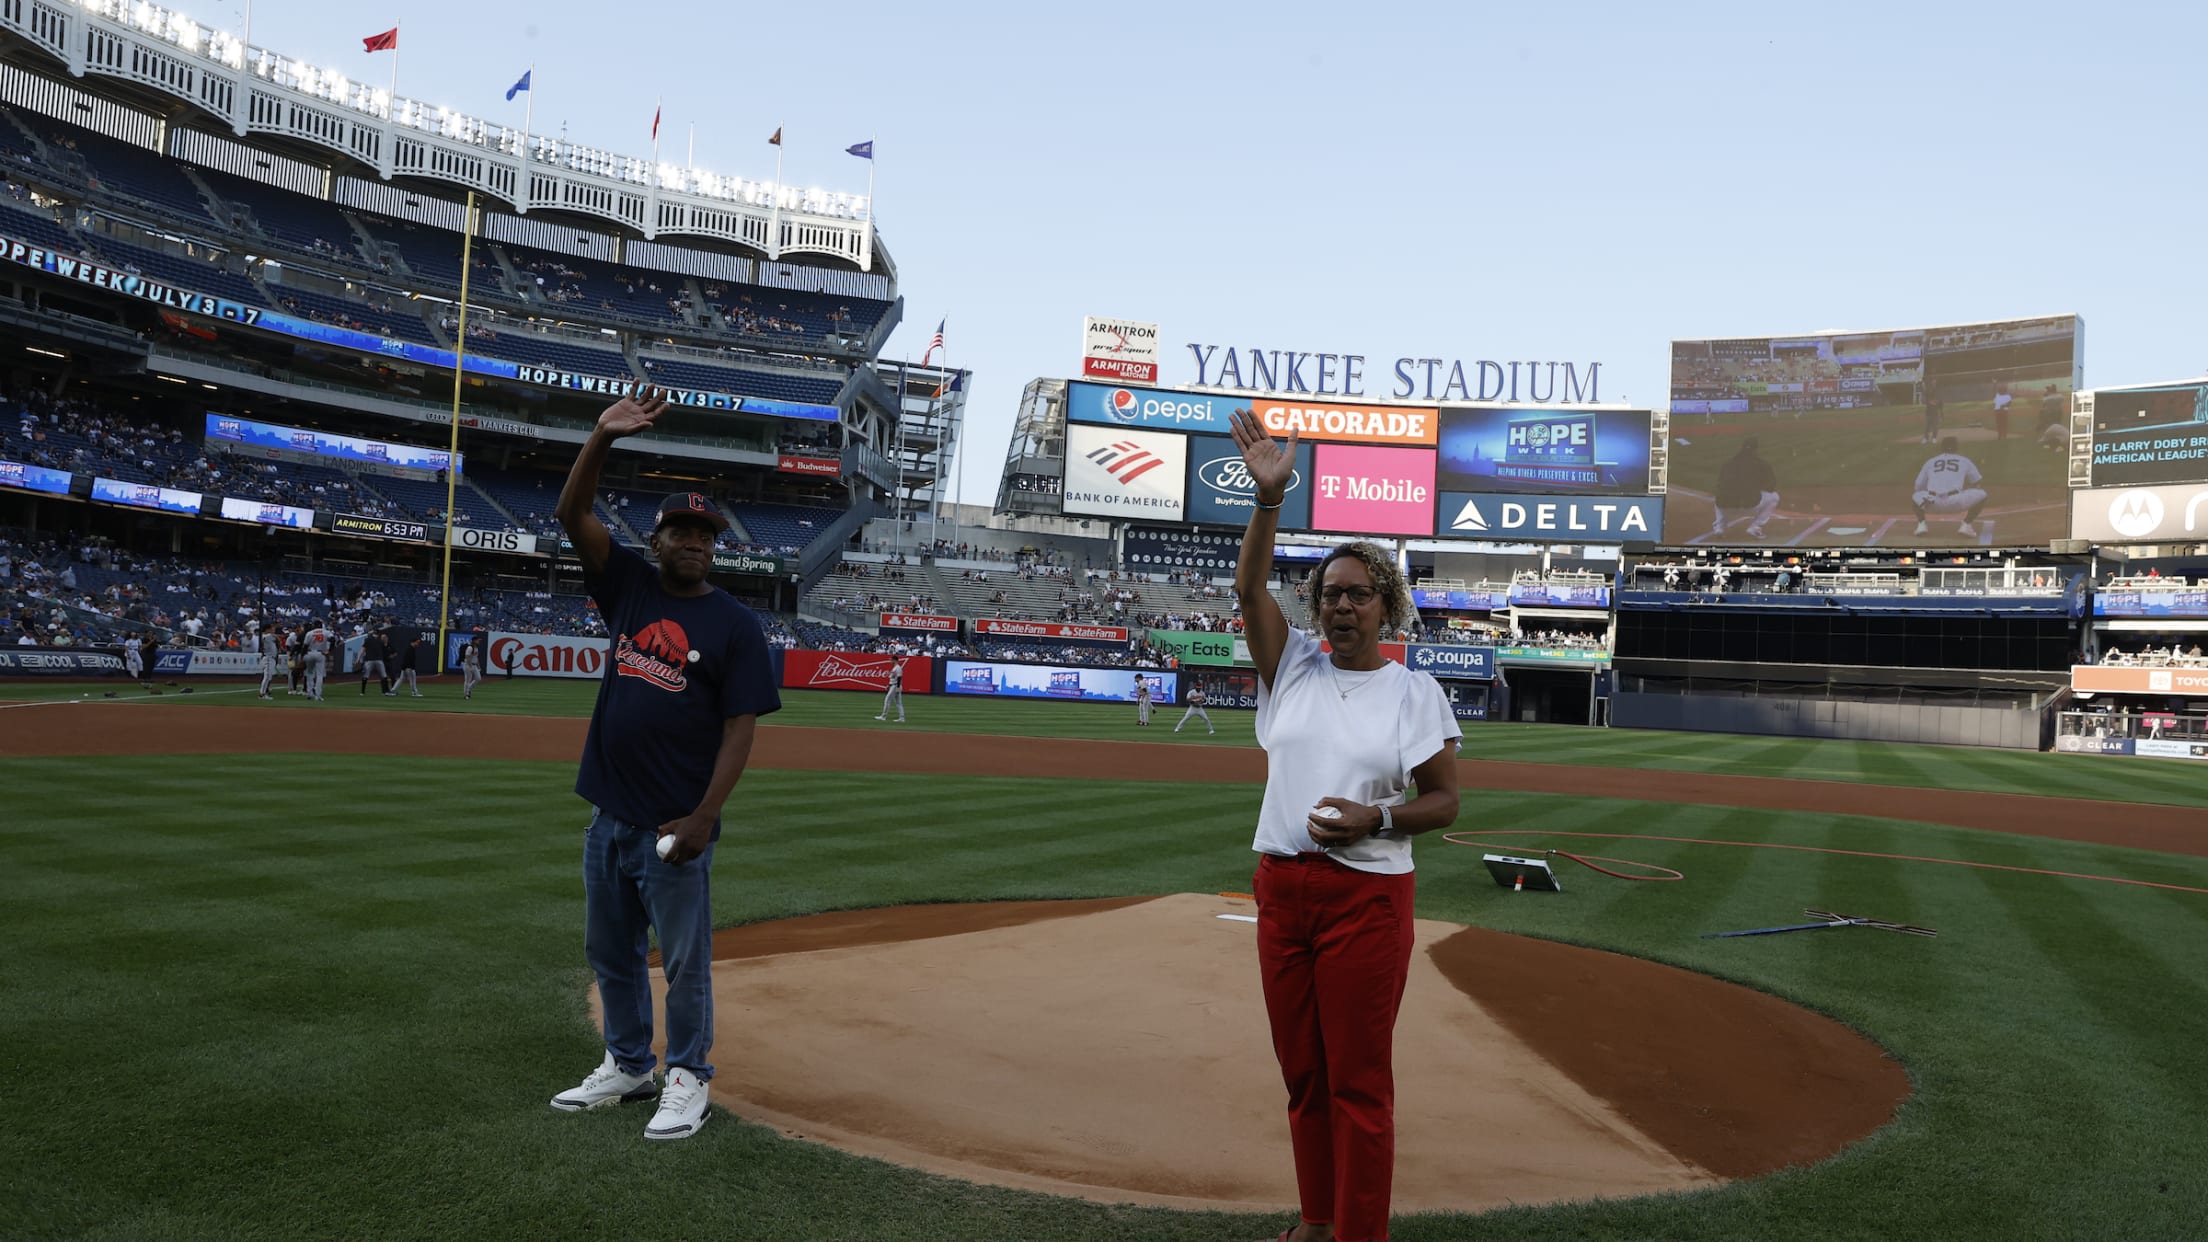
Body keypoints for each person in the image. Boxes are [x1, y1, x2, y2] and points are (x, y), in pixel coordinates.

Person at [1228, 408, 1463, 1242]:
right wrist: (1270, 500)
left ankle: (1359, 1235)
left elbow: (1445, 800)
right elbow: (1251, 588)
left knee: (1358, 1082)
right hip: (1282, 891)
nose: (1341, 608)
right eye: (1329, 595)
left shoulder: (1413, 693)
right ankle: (1319, 1218)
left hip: (1366, 897)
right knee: (1303, 1075)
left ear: (1385, 604)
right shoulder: (1289, 666)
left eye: (1358, 594)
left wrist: (1378, 815)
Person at [547, 387, 782, 1142]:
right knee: (609, 952)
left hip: (675, 826)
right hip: (607, 816)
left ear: (716, 546)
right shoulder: (629, 589)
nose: (693, 539)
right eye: (679, 529)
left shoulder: (735, 625)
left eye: (703, 533)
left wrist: (706, 818)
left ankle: (688, 1076)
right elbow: (569, 516)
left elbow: (741, 729)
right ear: (657, 542)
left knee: (684, 965)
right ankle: (628, 1062)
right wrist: (601, 438)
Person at [1911, 436, 1988, 538]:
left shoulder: (1930, 462)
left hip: (1932, 503)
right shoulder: (1964, 460)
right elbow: (1977, 482)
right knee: (1982, 494)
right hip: (1956, 503)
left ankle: (1921, 525)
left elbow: (1918, 486)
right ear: (1956, 448)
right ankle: (1966, 525)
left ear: (1942, 448)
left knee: (1915, 496)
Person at [1712, 438, 1779, 540]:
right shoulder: (1762, 464)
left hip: (1725, 507)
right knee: (1774, 497)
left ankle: (1719, 528)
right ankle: (1755, 527)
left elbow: (1719, 485)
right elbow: (1771, 486)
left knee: (1720, 495)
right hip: (1749, 506)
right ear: (1756, 449)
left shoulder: (1727, 464)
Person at [303, 621, 330, 702]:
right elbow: (332, 639)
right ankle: (317, 695)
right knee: (319, 675)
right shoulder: (326, 632)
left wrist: (302, 656)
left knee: (309, 673)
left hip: (309, 653)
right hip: (320, 653)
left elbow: (305, 646)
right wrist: (329, 650)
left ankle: (309, 693)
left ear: (314, 626)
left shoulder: (309, 633)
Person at [875, 655, 906, 722]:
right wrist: (889, 685)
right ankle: (902, 718)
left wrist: (897, 687)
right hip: (893, 685)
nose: (890, 661)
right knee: (898, 702)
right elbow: (893, 678)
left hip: (895, 686)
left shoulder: (898, 668)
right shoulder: (895, 668)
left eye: (891, 660)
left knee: (887, 700)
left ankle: (883, 716)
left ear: (894, 660)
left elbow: (899, 678)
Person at [359, 627, 389, 696]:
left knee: (365, 676)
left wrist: (358, 659)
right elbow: (385, 647)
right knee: (383, 676)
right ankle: (384, 692)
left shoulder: (368, 639)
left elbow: (363, 650)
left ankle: (362, 692)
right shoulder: (380, 641)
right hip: (378, 659)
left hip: (369, 660)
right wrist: (386, 640)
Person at [256, 626, 283, 700]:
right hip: (268, 658)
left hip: (270, 658)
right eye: (272, 628)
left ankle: (263, 693)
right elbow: (277, 638)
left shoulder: (266, 637)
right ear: (267, 629)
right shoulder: (267, 636)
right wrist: (278, 644)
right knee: (267, 676)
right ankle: (262, 694)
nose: (273, 630)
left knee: (268, 677)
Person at [461, 636, 481, 701]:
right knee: (467, 680)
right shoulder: (470, 647)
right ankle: (466, 694)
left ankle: (469, 689)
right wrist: (470, 666)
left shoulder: (476, 648)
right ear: (474, 641)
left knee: (478, 678)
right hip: (468, 665)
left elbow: (476, 658)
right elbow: (467, 656)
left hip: (474, 665)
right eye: (478, 640)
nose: (479, 641)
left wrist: (479, 666)